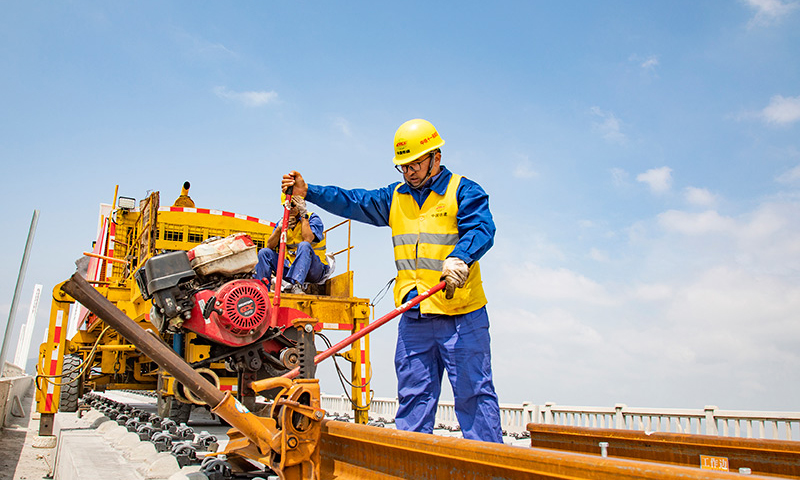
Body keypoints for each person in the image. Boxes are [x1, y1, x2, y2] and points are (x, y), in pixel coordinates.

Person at [281, 118, 502, 442]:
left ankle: (491, 471)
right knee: (414, 400)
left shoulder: (463, 191)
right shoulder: (395, 196)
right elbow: (354, 201)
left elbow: (483, 228)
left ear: (435, 158)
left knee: (474, 396)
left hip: (460, 315)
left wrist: (461, 256)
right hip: (414, 315)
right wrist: (309, 192)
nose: (410, 171)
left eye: (415, 164)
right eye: (404, 166)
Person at [254, 195, 329, 294]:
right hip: (292, 268)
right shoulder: (283, 222)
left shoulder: (312, 218)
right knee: (264, 253)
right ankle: (261, 291)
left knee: (304, 245)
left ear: (300, 204)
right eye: (286, 206)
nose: (290, 209)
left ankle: (297, 285)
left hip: (314, 270)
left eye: (293, 205)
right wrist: (279, 229)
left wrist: (304, 216)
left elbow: (308, 239)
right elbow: (270, 246)